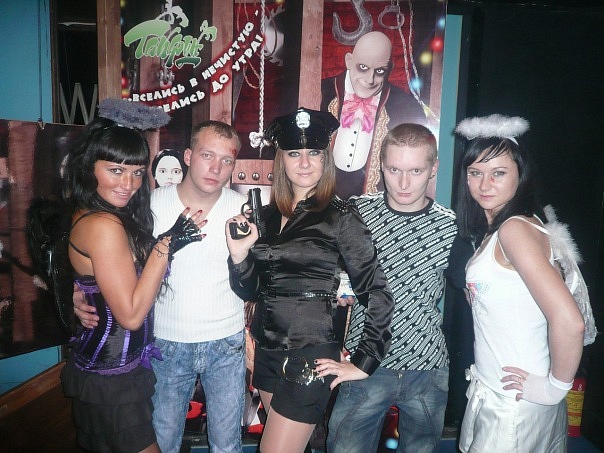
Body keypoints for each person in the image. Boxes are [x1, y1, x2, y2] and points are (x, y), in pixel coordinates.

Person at [225, 107, 395, 453]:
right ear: (282, 160)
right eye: (294, 153)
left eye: (314, 153)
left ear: (325, 159)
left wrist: (364, 361)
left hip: (311, 355)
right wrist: (240, 255)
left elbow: (378, 292)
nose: (304, 163)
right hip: (267, 353)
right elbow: (252, 290)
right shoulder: (266, 217)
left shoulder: (341, 217)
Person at [74, 120, 248, 453]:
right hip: (165, 342)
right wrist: (80, 291)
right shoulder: (147, 205)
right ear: (188, 156)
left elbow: (258, 277)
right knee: (163, 441)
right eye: (207, 155)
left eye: (226, 160)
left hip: (226, 342)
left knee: (227, 445)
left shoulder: (243, 210)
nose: (216, 168)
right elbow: (108, 260)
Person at [60, 99, 205, 453]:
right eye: (115, 170)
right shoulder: (104, 225)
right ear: (90, 167)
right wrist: (166, 245)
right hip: (111, 379)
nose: (129, 184)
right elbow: (131, 315)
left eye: (138, 172)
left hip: (116, 372)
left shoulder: (93, 211)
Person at [454, 114, 585, 452]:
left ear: (520, 174)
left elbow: (570, 322)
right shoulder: (507, 227)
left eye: (498, 173)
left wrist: (554, 388)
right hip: (503, 391)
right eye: (475, 173)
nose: (484, 184)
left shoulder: (514, 229)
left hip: (515, 402)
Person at [325, 123, 457, 453]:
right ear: (381, 165)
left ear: (433, 168)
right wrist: (339, 287)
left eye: (416, 171)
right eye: (395, 169)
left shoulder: (451, 226)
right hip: (364, 363)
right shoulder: (357, 212)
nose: (403, 182)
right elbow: (323, 267)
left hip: (427, 367)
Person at [321, 31, 426, 199]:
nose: (370, 79)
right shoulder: (316, 93)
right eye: (363, 67)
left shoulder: (408, 109)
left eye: (380, 70)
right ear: (349, 61)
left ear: (389, 69)